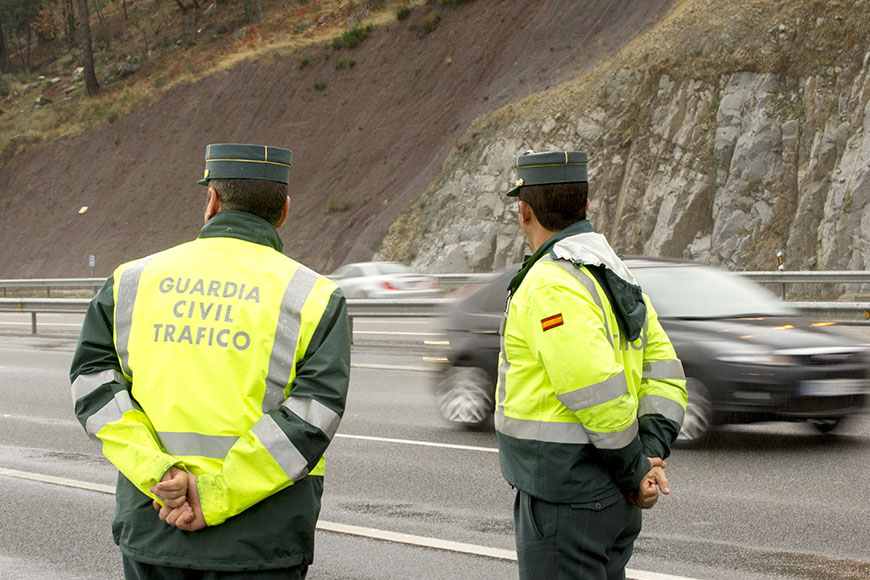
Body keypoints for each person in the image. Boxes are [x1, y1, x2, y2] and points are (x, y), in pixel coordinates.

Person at [70, 143, 351, 579]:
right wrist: (214, 495)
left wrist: (161, 474)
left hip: (156, 520)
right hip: (261, 539)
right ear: (283, 211)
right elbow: (313, 417)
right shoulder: (314, 296)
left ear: (213, 202)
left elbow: (93, 387)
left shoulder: (132, 280)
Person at [495, 150, 688, 579]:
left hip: (568, 497)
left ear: (523, 210)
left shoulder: (549, 283)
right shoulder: (615, 274)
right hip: (611, 499)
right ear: (586, 206)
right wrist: (650, 456)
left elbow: (595, 388)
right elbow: (666, 373)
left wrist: (638, 471)